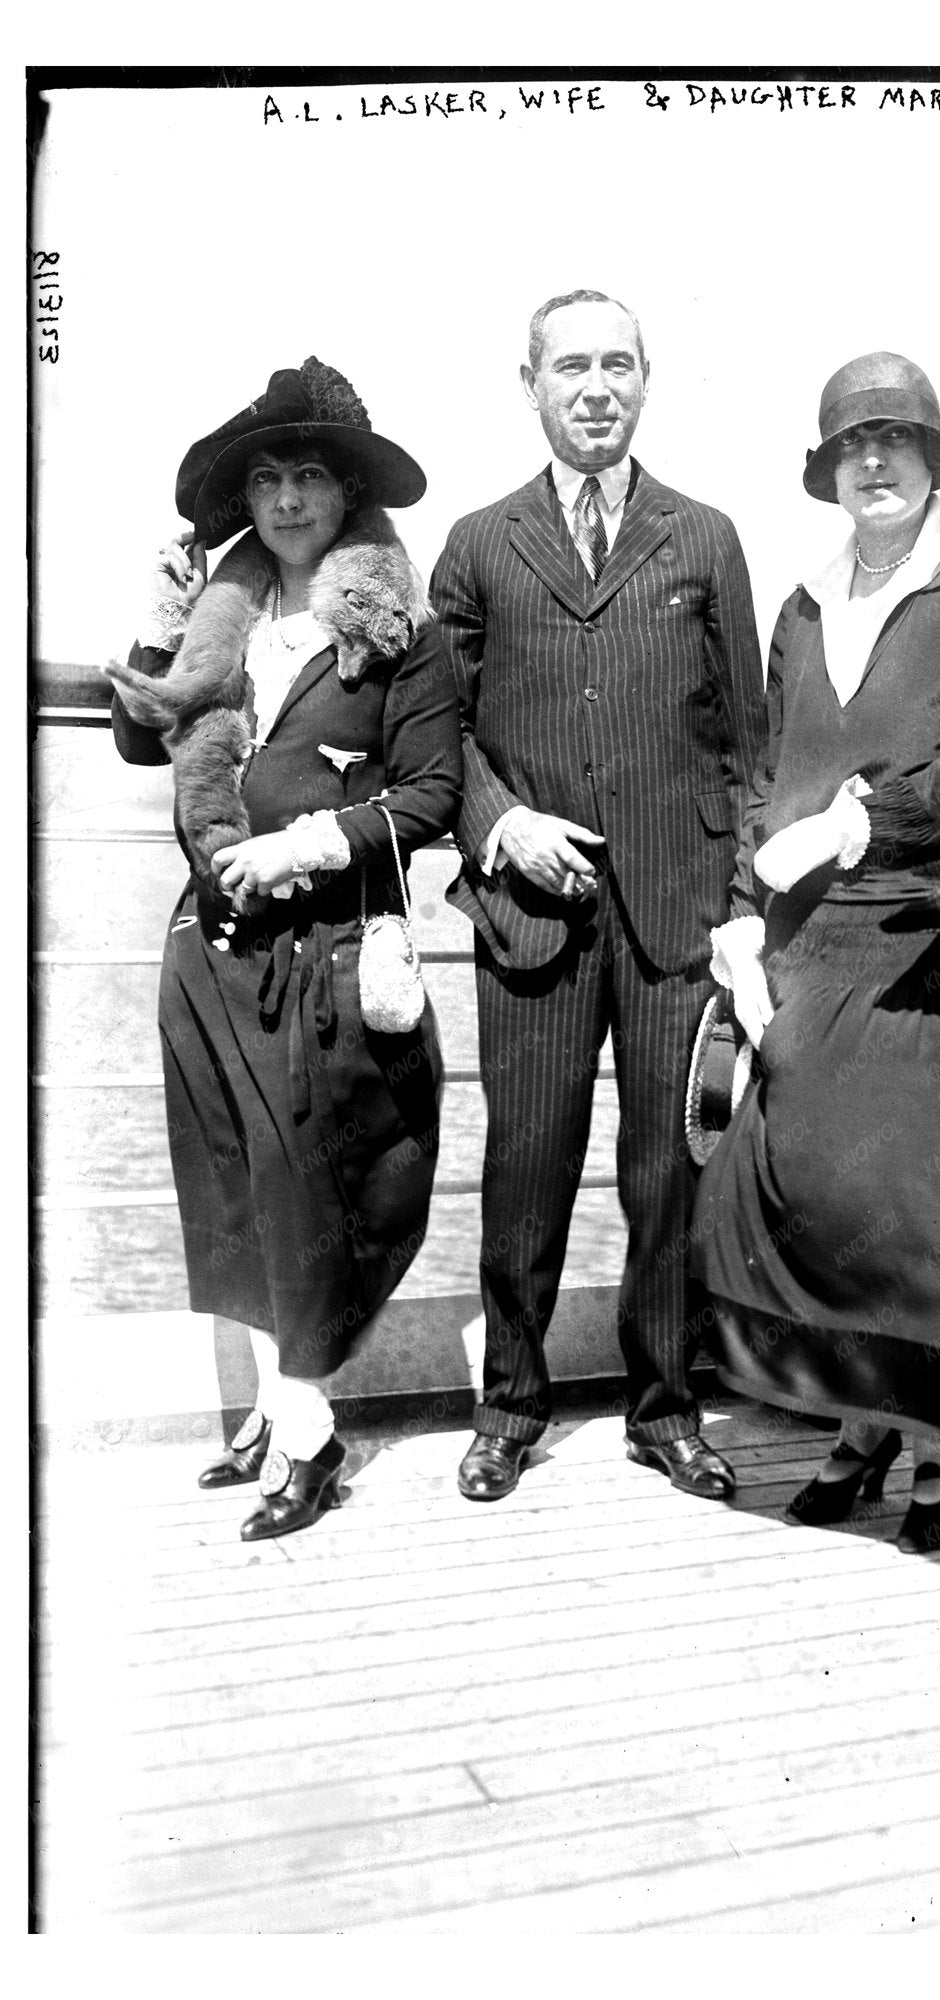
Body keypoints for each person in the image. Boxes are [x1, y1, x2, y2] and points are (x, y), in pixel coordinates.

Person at [691, 351, 940, 1552]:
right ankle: (865, 1422)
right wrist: (742, 916)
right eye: (853, 446)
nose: (875, 462)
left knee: (929, 1209)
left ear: (932, 461)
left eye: (896, 443)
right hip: (817, 938)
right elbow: (765, 774)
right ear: (827, 471)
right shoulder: (806, 608)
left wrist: (857, 815)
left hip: (933, 935)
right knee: (827, 1195)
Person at [412, 289, 765, 1503]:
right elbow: (434, 733)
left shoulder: (706, 536)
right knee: (528, 1160)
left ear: (648, 379)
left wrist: (741, 904)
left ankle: (665, 1407)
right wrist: (499, 825)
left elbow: (748, 743)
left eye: (618, 363)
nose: (596, 386)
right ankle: (510, 1401)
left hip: (678, 911)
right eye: (573, 366)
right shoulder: (477, 541)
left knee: (673, 1168)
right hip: (535, 915)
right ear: (531, 386)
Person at [107, 359, 458, 1540]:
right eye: (268, 476)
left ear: (350, 492)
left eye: (312, 473)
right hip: (208, 945)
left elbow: (430, 794)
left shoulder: (397, 633)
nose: (290, 497)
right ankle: (272, 1411)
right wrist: (161, 625)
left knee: (312, 1175)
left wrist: (305, 845)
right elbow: (136, 742)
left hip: (322, 947)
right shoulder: (227, 614)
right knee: (231, 1178)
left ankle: (309, 1429)